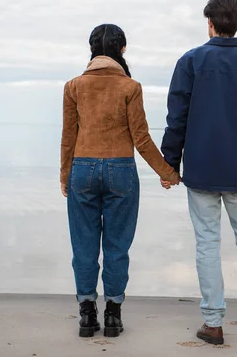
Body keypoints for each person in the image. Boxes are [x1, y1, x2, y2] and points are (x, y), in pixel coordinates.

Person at [161, 0, 237, 345]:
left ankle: (213, 324)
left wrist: (170, 164)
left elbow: (177, 119)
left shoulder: (190, 62)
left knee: (207, 245)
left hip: (200, 171)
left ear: (210, 24)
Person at [60, 24, 181, 338]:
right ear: (122, 50)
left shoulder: (73, 86)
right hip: (121, 171)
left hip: (82, 170)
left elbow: (68, 138)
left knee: (83, 247)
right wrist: (167, 173)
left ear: (91, 50)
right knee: (117, 247)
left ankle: (87, 315)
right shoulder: (130, 87)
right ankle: (113, 315)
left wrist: (65, 177)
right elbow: (141, 139)